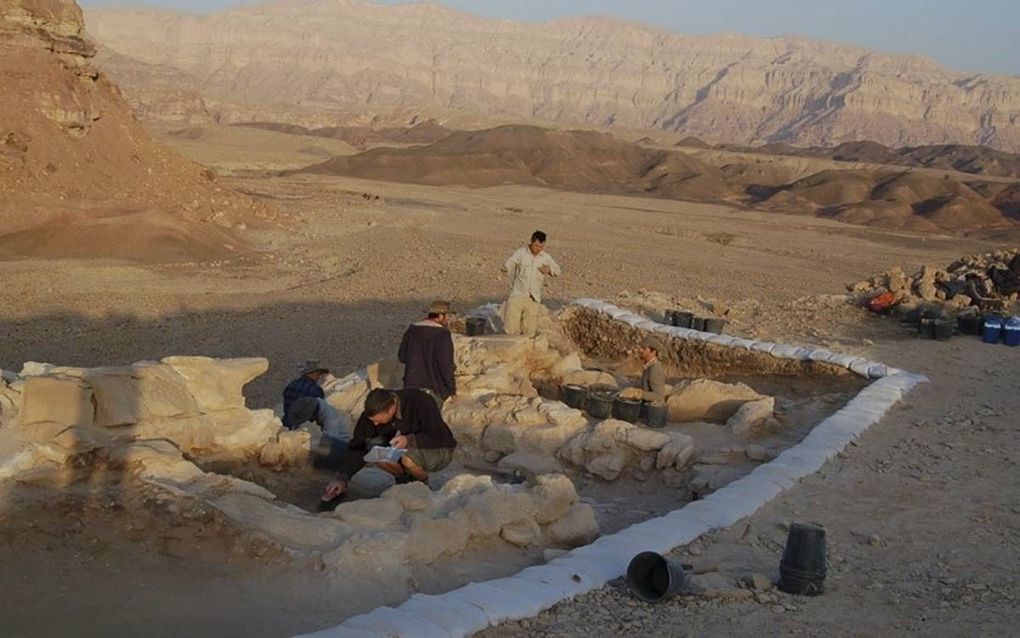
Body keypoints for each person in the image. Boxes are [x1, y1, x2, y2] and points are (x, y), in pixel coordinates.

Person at [322, 388, 457, 501]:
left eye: (379, 421)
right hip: (401, 449)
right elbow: (358, 446)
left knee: (408, 459)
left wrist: (409, 440)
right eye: (373, 421)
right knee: (373, 451)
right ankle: (403, 481)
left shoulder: (421, 401)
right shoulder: (373, 412)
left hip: (438, 449)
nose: (375, 424)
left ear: (392, 409)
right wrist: (343, 478)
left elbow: (439, 436)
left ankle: (421, 486)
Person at [502, 230, 561, 337]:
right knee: (511, 328)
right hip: (518, 295)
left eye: (542, 247)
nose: (539, 249)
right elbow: (511, 262)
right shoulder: (521, 253)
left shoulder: (545, 257)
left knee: (529, 331)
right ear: (531, 242)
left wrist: (549, 269)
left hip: (533, 298)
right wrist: (506, 268)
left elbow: (558, 271)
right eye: (537, 246)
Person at [398, 300, 456, 408]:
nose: (447, 320)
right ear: (440, 316)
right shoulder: (443, 335)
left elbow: (402, 357)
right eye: (446, 316)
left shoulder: (411, 331)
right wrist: (452, 390)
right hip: (434, 389)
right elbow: (445, 365)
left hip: (411, 387)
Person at [282, 361, 349, 444]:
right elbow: (319, 412)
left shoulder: (291, 385)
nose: (319, 377)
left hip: (287, 426)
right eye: (318, 374)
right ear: (313, 373)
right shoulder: (315, 390)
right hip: (304, 430)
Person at [618, 337, 667, 404]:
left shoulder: (655, 369)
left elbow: (659, 396)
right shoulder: (649, 366)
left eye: (644, 349)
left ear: (653, 352)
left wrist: (637, 393)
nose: (640, 350)